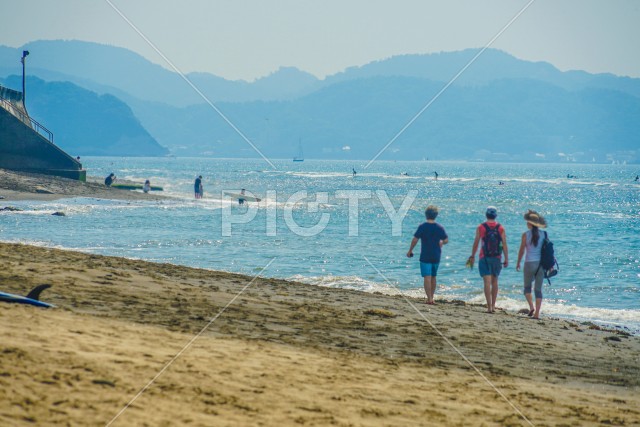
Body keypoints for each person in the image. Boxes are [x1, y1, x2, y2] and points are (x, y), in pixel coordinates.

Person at [469, 206, 508, 313]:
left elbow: (476, 242)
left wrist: (472, 255)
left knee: (487, 282)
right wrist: (506, 258)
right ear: (495, 215)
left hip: (484, 257)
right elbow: (504, 244)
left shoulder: (481, 227)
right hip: (496, 257)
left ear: (486, 214)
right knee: (495, 282)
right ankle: (494, 306)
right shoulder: (500, 228)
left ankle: (489, 307)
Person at [407, 205, 448, 305]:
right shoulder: (439, 227)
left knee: (427, 277)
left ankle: (429, 298)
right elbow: (445, 240)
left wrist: (410, 250)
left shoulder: (423, 227)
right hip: (436, 255)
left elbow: (415, 239)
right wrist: (441, 243)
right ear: (436, 215)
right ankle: (432, 297)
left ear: (426, 215)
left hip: (425, 255)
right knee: (433, 277)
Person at [516, 210, 548, 319]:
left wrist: (518, 262)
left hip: (529, 263)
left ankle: (531, 307)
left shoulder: (525, 235)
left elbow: (521, 250)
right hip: (541, 265)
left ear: (530, 223)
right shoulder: (544, 234)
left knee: (527, 289)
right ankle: (537, 314)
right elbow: (547, 250)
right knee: (538, 290)